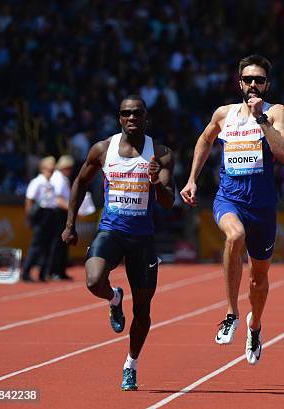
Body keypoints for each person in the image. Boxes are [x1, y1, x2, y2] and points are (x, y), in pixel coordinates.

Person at [180, 55, 284, 365]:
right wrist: (191, 179)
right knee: (234, 236)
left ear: (266, 84)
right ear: (239, 83)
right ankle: (231, 313)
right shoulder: (224, 114)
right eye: (248, 79)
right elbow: (204, 140)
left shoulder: (276, 112)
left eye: (259, 80)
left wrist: (262, 121)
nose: (253, 85)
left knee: (259, 278)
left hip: (263, 206)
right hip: (229, 198)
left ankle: (254, 326)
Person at [61, 95, 174, 391]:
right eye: (126, 113)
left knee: (143, 312)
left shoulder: (160, 154)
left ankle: (131, 364)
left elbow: (167, 202)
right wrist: (70, 224)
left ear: (146, 118)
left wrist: (156, 182)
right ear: (119, 118)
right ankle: (113, 297)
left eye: (137, 113)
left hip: (142, 240)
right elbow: (80, 182)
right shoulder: (102, 149)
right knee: (93, 280)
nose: (132, 117)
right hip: (111, 231)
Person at [21, 156, 59, 282]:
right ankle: (26, 272)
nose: (52, 171)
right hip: (41, 214)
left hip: (51, 214)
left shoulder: (50, 183)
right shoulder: (37, 182)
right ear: (43, 169)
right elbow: (29, 200)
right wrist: (29, 217)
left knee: (48, 246)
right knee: (37, 245)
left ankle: (43, 273)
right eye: (49, 168)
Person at [50, 155, 75, 280]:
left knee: (62, 243)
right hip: (58, 212)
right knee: (58, 243)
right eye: (69, 168)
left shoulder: (63, 178)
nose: (70, 170)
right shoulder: (59, 178)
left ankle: (60, 270)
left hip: (62, 211)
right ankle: (55, 270)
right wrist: (73, 210)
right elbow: (58, 199)